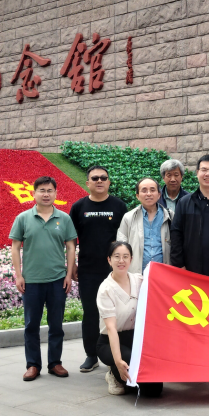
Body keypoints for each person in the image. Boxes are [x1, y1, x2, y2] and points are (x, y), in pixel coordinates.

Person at [9, 176, 77, 382]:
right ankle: (33, 365)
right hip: (31, 281)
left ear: (55, 193)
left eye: (49, 190)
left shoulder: (63, 218)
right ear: (34, 193)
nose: (46, 194)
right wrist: (19, 275)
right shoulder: (23, 218)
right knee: (31, 325)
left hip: (57, 280)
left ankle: (55, 363)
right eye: (42, 190)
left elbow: (71, 247)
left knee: (56, 324)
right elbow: (15, 247)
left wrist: (68, 274)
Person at [70, 165, 127, 374]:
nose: (99, 181)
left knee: (119, 313)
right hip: (88, 270)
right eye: (95, 178)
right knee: (91, 313)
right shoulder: (79, 207)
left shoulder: (119, 206)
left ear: (109, 182)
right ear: (88, 183)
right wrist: (72, 264)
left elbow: (125, 238)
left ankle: (118, 355)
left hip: (115, 270)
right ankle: (91, 355)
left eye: (103, 177)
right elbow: (70, 239)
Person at [96, 241, 163, 397]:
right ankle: (114, 372)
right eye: (117, 256)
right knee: (129, 367)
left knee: (154, 390)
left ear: (131, 259)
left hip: (135, 338)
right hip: (110, 340)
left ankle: (126, 377)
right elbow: (111, 328)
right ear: (109, 260)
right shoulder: (105, 289)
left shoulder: (139, 280)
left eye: (125, 256)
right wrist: (118, 361)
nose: (121, 261)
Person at [117, 177, 172, 270]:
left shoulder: (170, 216)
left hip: (164, 272)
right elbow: (121, 245)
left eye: (152, 190)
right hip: (137, 273)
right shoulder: (128, 217)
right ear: (137, 196)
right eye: (144, 190)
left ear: (159, 195)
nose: (149, 194)